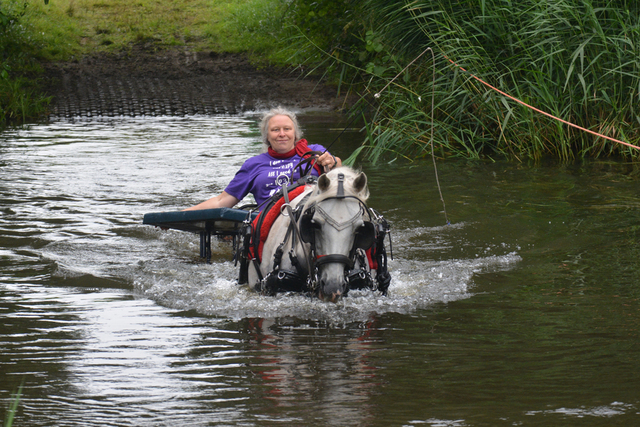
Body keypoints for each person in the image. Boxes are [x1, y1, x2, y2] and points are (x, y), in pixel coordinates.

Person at [185, 107, 342, 211]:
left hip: (311, 215)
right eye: (275, 130)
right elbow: (221, 201)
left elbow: (337, 167)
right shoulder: (253, 165)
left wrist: (331, 162)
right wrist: (182, 214)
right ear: (267, 135)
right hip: (271, 220)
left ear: (295, 133)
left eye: (287, 129)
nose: (282, 134)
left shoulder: (313, 152)